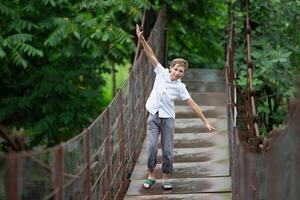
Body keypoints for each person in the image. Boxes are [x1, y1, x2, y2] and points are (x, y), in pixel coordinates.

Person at [136, 24, 218, 190]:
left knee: (167, 149)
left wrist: (206, 122)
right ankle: (151, 175)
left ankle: (166, 178)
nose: (177, 73)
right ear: (170, 68)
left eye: (181, 71)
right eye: (176, 69)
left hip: (168, 119)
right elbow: (150, 54)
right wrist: (142, 39)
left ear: (183, 73)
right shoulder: (161, 72)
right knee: (151, 147)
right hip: (153, 115)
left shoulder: (180, 87)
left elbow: (192, 104)